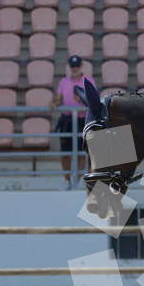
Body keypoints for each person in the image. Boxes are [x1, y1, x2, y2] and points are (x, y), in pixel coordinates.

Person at [50, 55, 95, 187]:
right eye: (72, 66)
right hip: (67, 120)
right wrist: (54, 102)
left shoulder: (88, 80)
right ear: (69, 67)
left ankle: (79, 180)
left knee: (81, 152)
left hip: (83, 119)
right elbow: (59, 98)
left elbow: (94, 99)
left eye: (77, 66)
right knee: (65, 152)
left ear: (81, 66)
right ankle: (67, 180)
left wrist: (82, 100)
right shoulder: (63, 82)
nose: (75, 68)